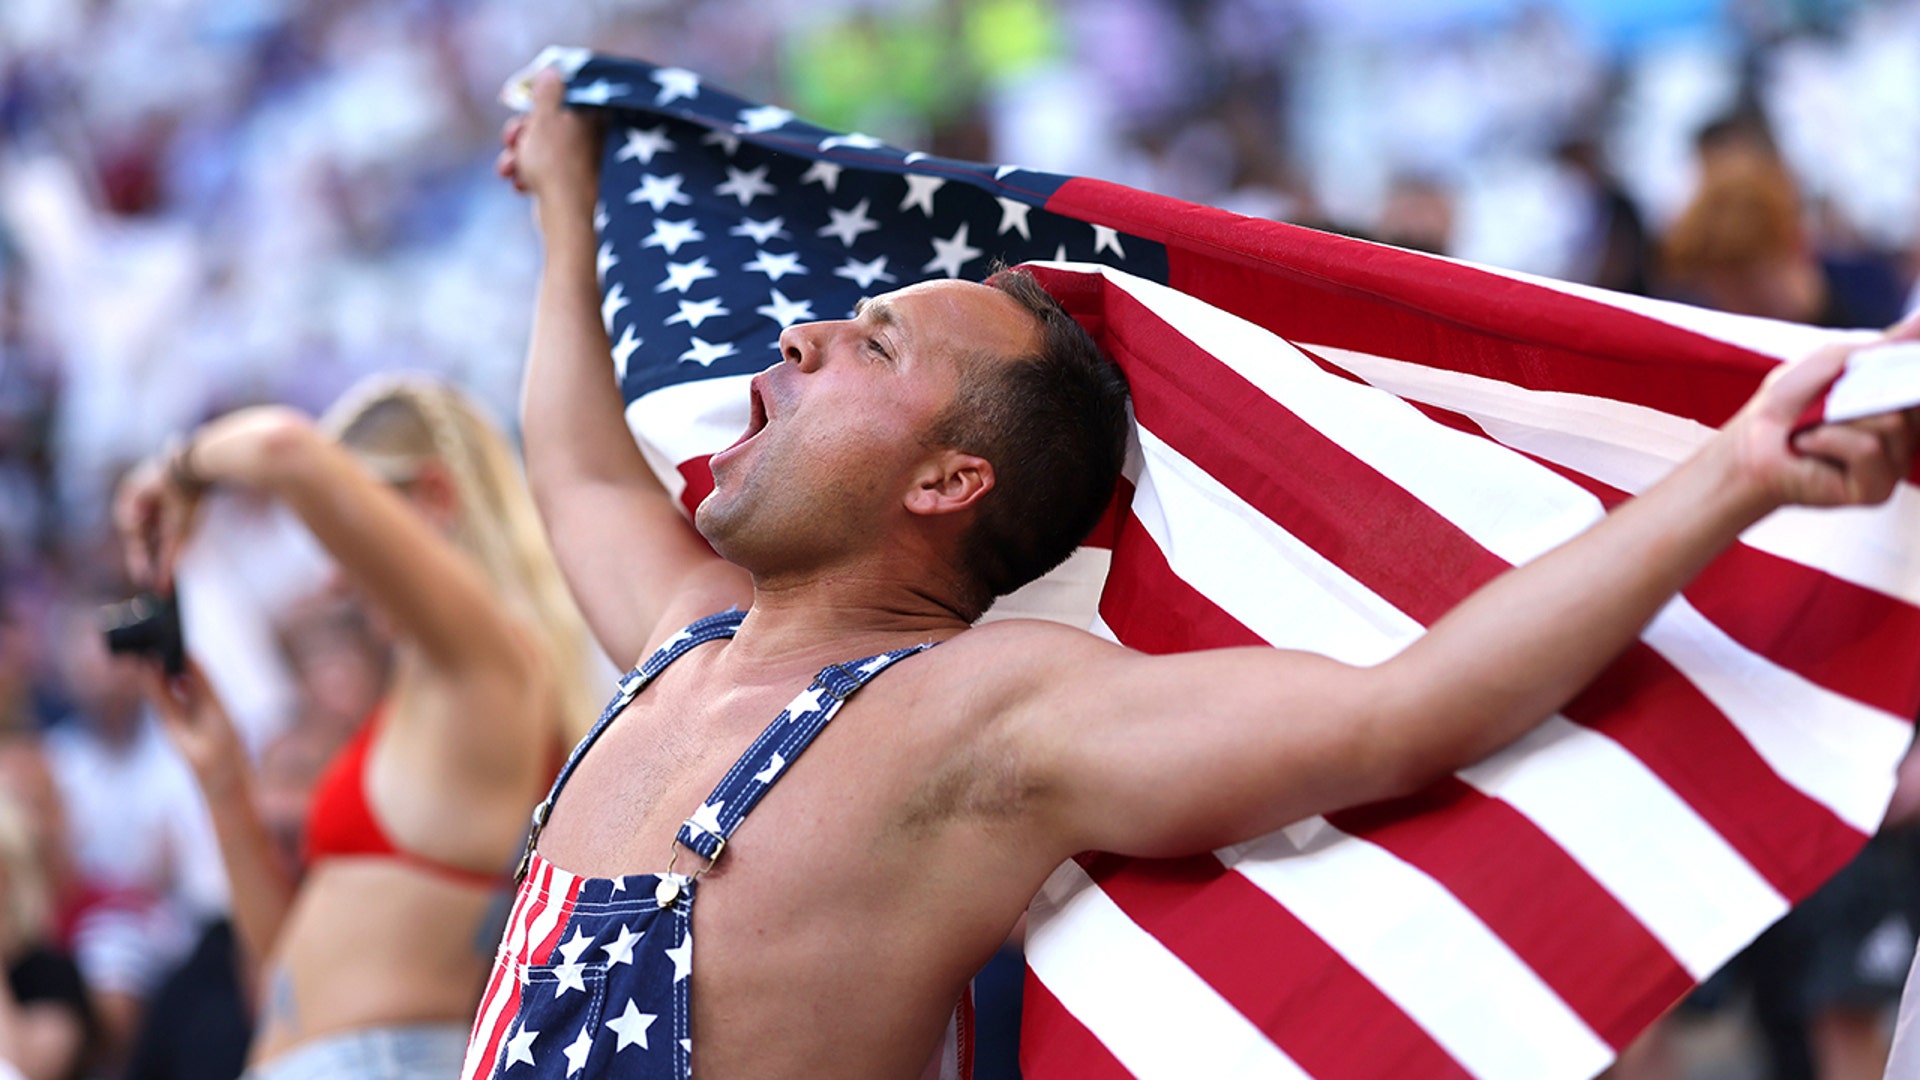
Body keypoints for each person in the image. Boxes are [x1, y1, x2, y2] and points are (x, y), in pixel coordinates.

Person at [470, 71, 1920, 1080]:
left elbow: (1400, 711)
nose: (797, 341)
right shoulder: (680, 637)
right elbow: (584, 473)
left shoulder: (988, 721)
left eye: (875, 344)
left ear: (948, 483)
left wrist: (1729, 478)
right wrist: (564, 207)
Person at [114, 376, 594, 1080]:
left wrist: (178, 471)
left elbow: (284, 446)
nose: (334, 580)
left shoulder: (495, 667)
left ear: (434, 497)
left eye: (346, 533)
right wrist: (223, 782)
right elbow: (284, 981)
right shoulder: (429, 697)